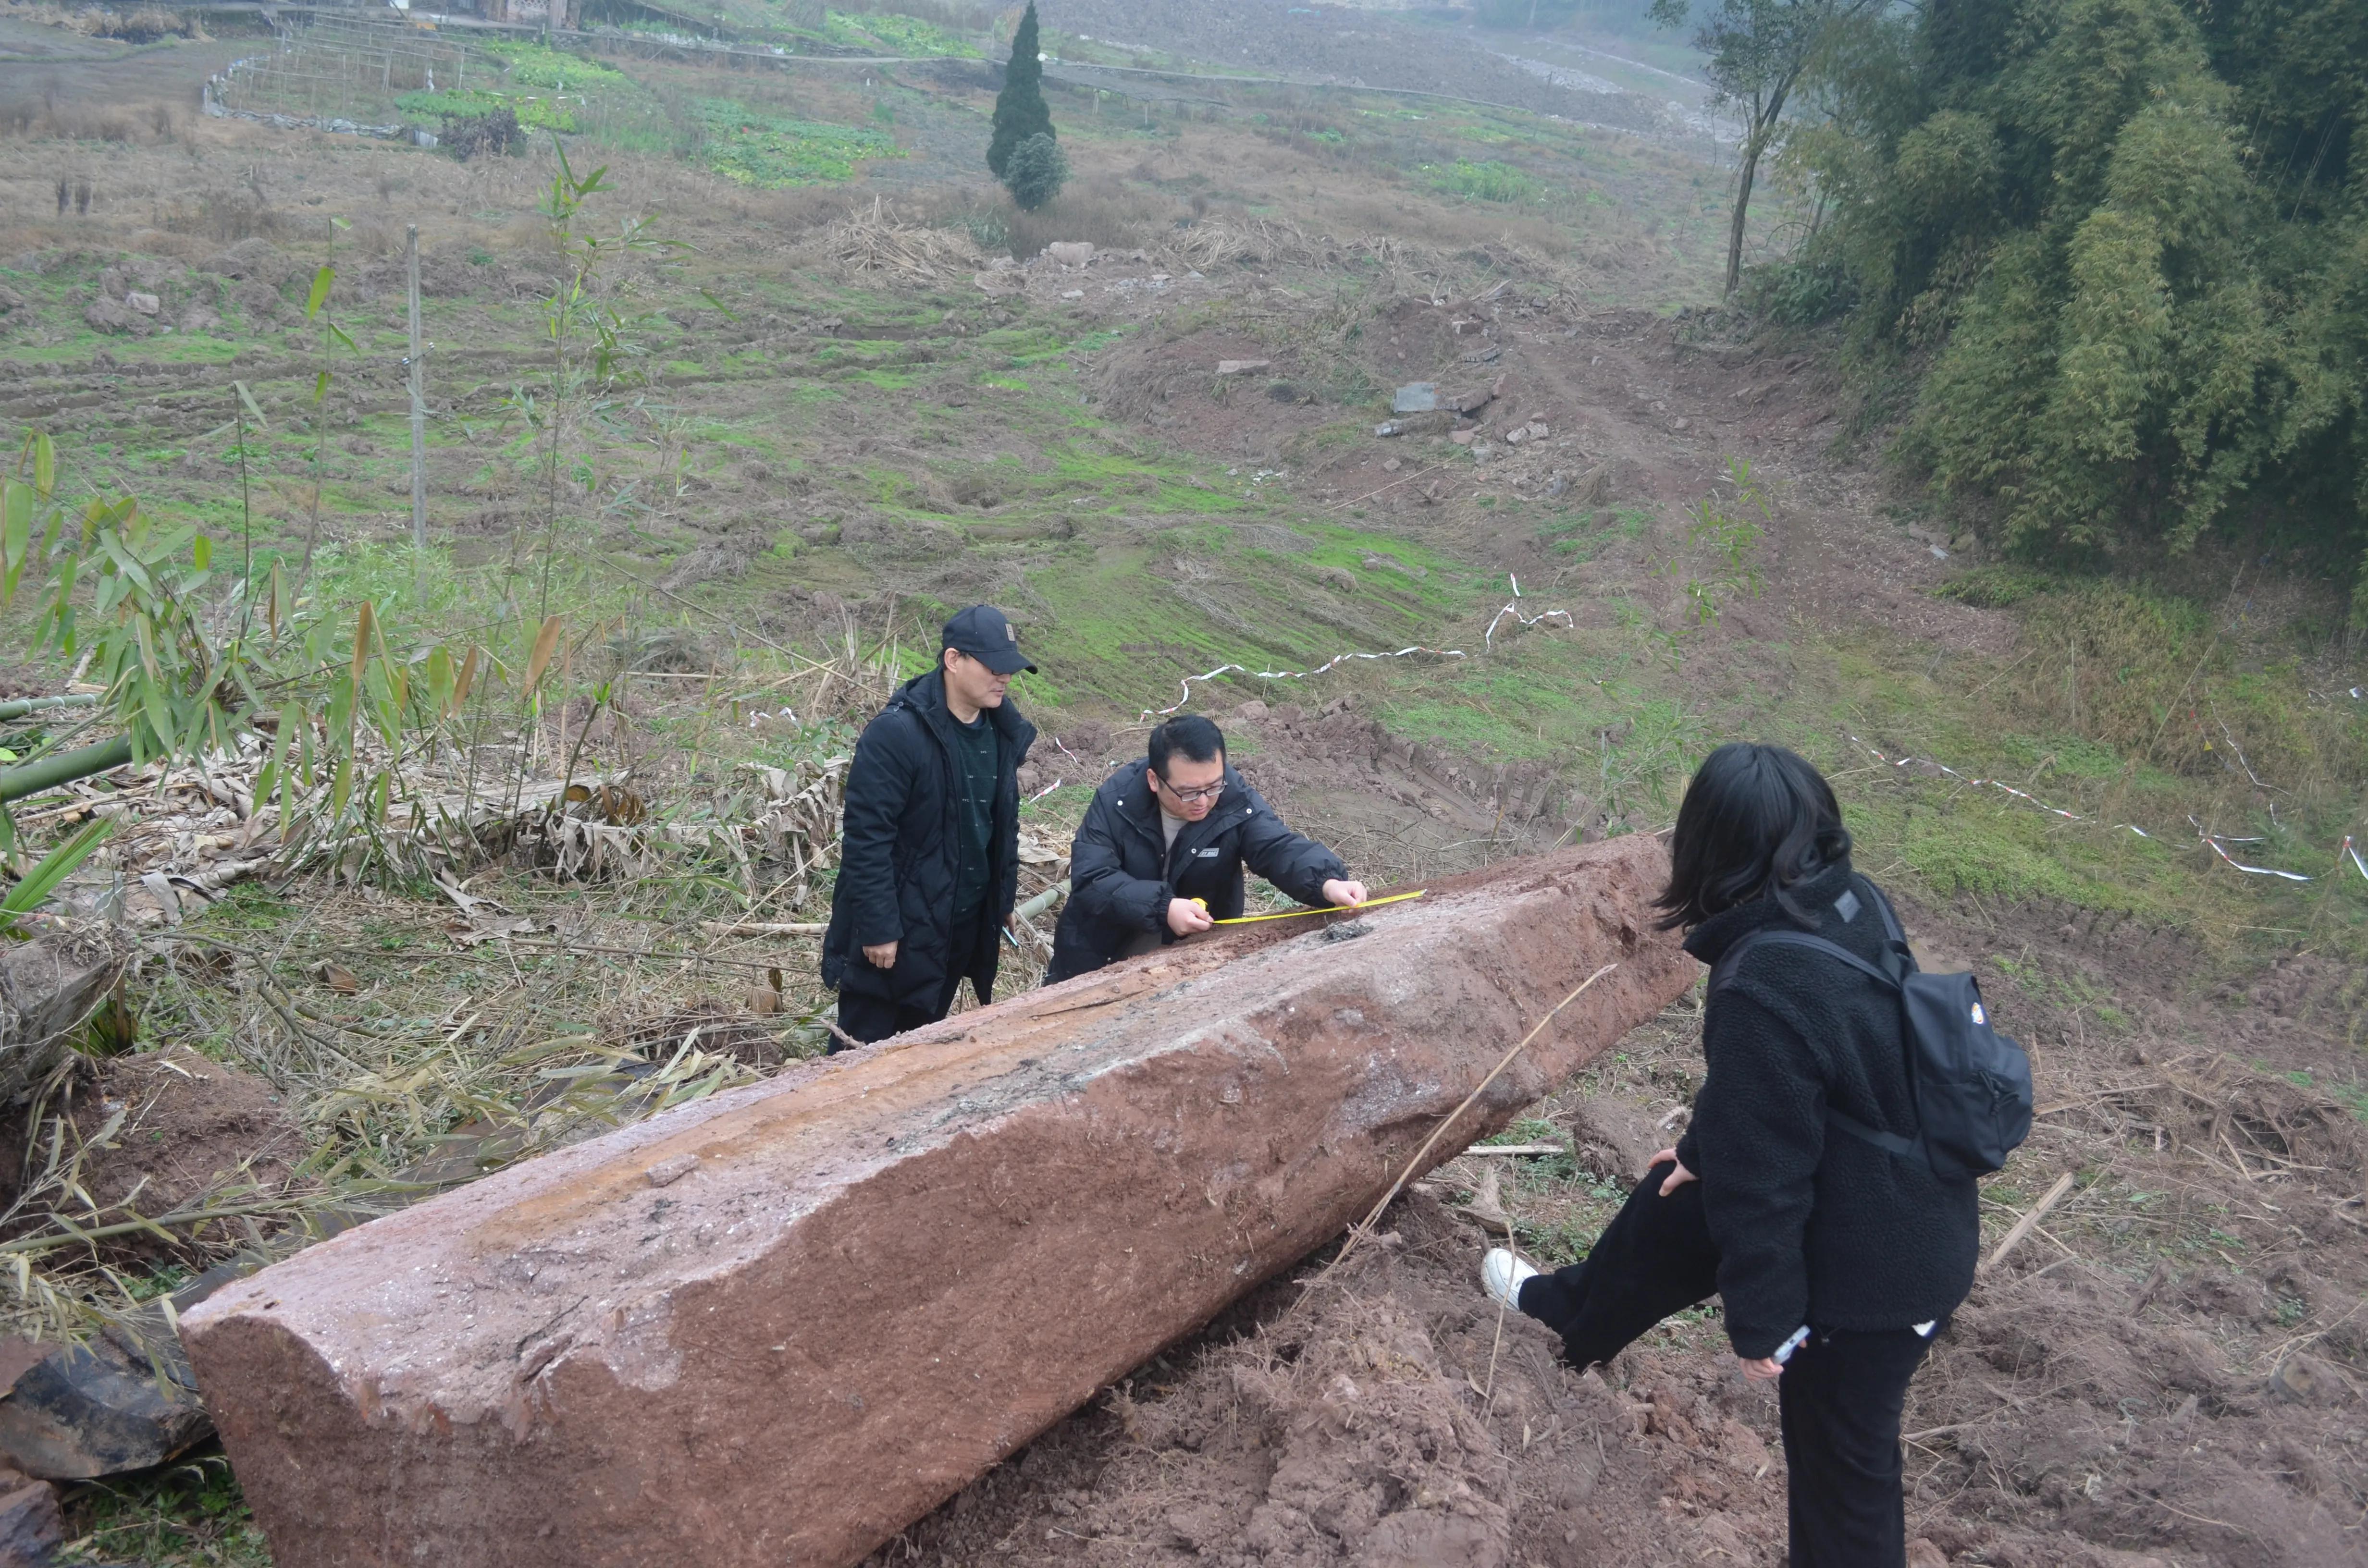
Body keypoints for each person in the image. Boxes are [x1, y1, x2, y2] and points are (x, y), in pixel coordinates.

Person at [1481, 742, 1978, 1567]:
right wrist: (1699, 1150)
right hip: (1890, 1195)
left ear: (1707, 847)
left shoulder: (1763, 977)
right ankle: (1561, 1319)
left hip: (1876, 1277)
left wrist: (1769, 1322)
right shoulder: (1850, 901)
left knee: (1842, 1480)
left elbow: (1767, 1183)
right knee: (1675, 1199)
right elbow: (1799, 1087)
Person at [821, 605, 1037, 1046]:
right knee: (859, 1052)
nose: (1005, 679)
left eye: (1011, 670)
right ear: (954, 660)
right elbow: (867, 839)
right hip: (899, 928)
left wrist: (1002, 899)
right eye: (995, 667)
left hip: (959, 924)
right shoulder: (898, 734)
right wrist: (880, 926)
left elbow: (1002, 827)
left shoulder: (1001, 733)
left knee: (922, 1049)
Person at [1045, 714, 1368, 983]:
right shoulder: (1116, 801)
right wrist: (1164, 908)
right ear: (1154, 780)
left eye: (1213, 787)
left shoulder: (1233, 798)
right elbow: (1093, 878)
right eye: (1188, 792)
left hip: (1193, 956)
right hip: (1101, 950)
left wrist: (1327, 882)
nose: (1203, 802)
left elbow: (1275, 846)